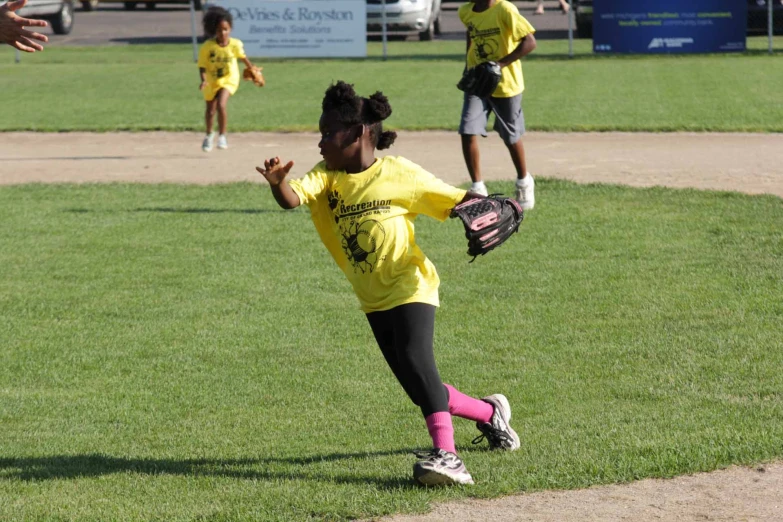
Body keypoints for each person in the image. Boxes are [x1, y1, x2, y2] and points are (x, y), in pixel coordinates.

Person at [255, 81, 521, 486]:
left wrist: (498, 207)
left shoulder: (399, 173)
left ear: (360, 133)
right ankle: (489, 413)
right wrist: (278, 183)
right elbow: (293, 199)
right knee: (420, 387)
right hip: (372, 298)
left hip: (411, 283)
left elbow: (453, 200)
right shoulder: (327, 178)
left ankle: (448, 457)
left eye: (329, 133)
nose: (321, 143)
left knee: (418, 362)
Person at [459, 0, 537, 210]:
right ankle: (478, 188)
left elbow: (530, 42)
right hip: (478, 81)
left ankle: (524, 180)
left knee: (510, 136)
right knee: (467, 130)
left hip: (506, 84)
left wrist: (500, 64)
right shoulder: (466, 11)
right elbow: (471, 36)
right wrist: (468, 68)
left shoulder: (505, 9)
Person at [197, 6, 258, 152]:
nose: (223, 33)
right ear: (214, 30)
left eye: (225, 29)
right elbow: (202, 66)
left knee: (221, 105)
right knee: (210, 110)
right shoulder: (207, 47)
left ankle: (222, 136)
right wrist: (204, 80)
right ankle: (209, 134)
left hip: (229, 79)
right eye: (219, 30)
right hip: (211, 80)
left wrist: (253, 70)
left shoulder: (235, 44)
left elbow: (244, 58)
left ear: (230, 28)